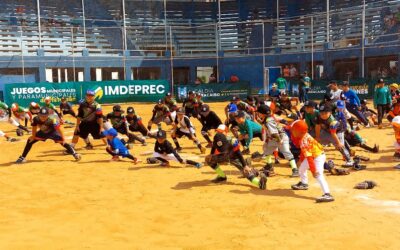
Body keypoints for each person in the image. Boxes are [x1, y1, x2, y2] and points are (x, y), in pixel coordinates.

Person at [204, 124, 267, 189]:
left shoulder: (232, 140)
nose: (218, 133)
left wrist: (245, 165)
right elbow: (214, 146)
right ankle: (222, 176)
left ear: (225, 132)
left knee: (245, 170)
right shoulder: (217, 138)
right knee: (209, 159)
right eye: (218, 131)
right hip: (223, 156)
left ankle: (258, 182)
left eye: (221, 131)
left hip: (233, 156)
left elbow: (239, 153)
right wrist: (211, 155)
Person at [290, 120, 334, 203]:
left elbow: (309, 158)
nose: (292, 132)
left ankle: (327, 194)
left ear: (299, 132)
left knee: (318, 174)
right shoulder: (304, 135)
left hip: (318, 157)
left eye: (293, 130)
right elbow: (305, 152)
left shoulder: (304, 141)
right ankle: (304, 184)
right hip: (313, 155)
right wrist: (301, 160)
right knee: (302, 169)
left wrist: (313, 171)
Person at [16, 107, 81, 163]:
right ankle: (23, 157)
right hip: (42, 132)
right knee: (30, 140)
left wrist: (63, 139)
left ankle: (75, 154)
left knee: (63, 143)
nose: (43, 117)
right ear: (39, 114)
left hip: (53, 132)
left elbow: (59, 129)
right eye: (41, 115)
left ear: (48, 115)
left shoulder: (53, 119)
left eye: (45, 116)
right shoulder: (36, 119)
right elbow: (34, 127)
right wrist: (33, 136)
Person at [257, 105, 299, 177]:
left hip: (280, 137)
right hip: (274, 138)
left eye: (259, 113)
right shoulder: (267, 118)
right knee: (267, 151)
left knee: (286, 152)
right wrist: (260, 122)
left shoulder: (268, 120)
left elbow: (274, 133)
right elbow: (268, 129)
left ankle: (295, 169)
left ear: (262, 113)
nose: (258, 114)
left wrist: (279, 141)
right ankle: (269, 166)